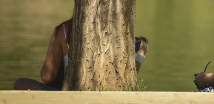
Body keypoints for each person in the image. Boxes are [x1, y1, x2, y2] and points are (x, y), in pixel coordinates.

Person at [13, 18, 149, 90]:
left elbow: (47, 77)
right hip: (108, 96)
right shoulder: (117, 32)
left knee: (20, 83)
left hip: (71, 95)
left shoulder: (65, 29)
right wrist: (141, 54)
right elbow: (126, 80)